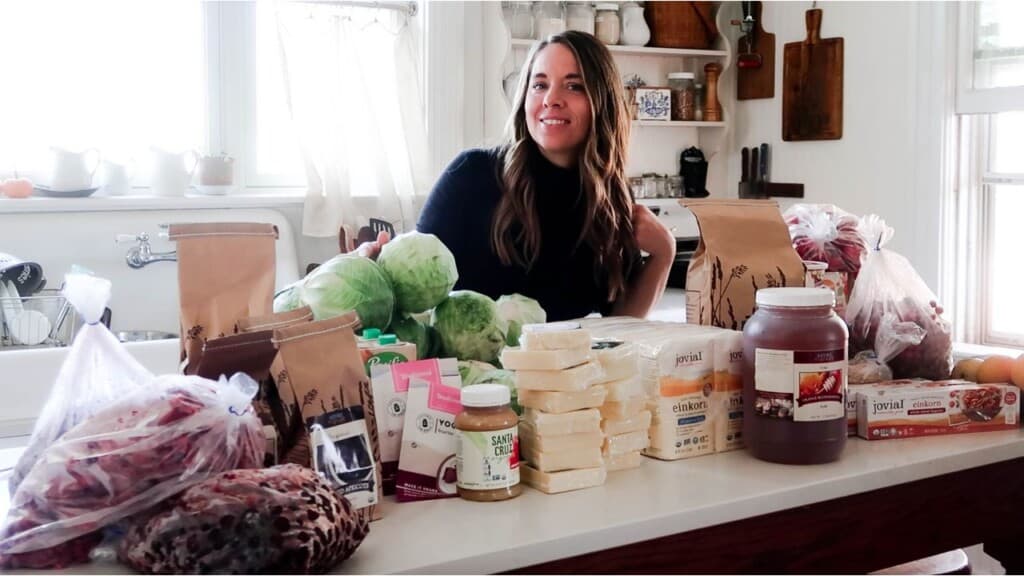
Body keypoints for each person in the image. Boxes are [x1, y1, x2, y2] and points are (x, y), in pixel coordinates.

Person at [364, 31, 676, 321]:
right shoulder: (472, 175)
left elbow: (621, 323)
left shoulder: (610, 199)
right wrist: (376, 269)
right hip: (472, 377)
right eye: (539, 84)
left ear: (602, 102)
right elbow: (414, 287)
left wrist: (664, 252)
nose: (551, 99)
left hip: (557, 375)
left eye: (574, 85)